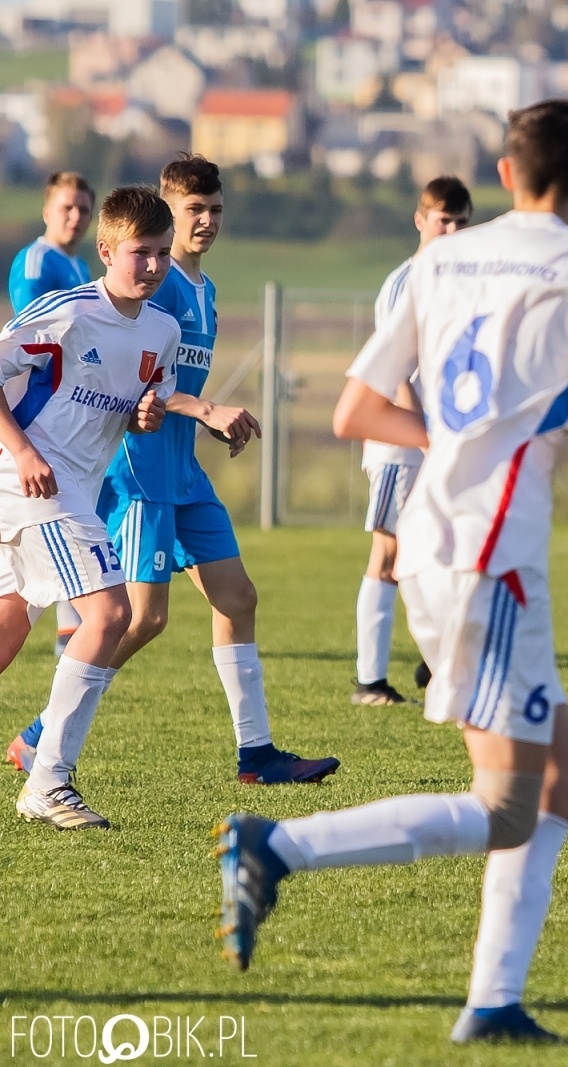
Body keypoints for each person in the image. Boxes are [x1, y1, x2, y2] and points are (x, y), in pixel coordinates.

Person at [212, 101, 568, 1045]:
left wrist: (455, 443)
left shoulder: (439, 260)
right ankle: (279, 845)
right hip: (491, 561)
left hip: (430, 543)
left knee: (562, 780)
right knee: (506, 805)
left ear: (502, 173)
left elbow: (355, 410)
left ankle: (493, 1002)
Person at [6, 154, 339, 785]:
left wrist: (195, 415)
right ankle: (42, 736)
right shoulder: (146, 292)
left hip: (183, 470)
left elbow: (154, 388)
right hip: (139, 474)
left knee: (238, 598)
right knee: (136, 618)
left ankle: (256, 752)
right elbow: (123, 385)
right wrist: (207, 407)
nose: (207, 222)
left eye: (216, 210)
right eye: (195, 210)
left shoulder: (201, 292)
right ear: (164, 209)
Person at [4, 185, 174, 829]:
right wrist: (22, 453)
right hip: (30, 482)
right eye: (140, 254)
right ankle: (47, 783)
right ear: (105, 251)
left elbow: (133, 407)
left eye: (161, 253)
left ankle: (46, 780)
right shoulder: (67, 312)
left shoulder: (162, 327)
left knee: (9, 626)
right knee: (111, 612)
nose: (154, 267)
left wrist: (145, 414)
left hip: (70, 484)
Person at [353, 176, 473, 706]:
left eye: (461, 222)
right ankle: (369, 679)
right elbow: (395, 366)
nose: (450, 231)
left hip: (442, 439)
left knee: (451, 550)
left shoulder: (462, 282)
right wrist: (422, 434)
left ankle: (436, 660)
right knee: (389, 552)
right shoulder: (407, 282)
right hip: (401, 440)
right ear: (420, 220)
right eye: (443, 220)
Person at [6, 171, 95, 664]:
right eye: (66, 208)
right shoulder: (39, 261)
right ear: (47, 211)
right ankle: (73, 636)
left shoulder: (79, 265)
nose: (75, 217)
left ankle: (70, 636)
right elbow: (32, 336)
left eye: (83, 208)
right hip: (32, 415)